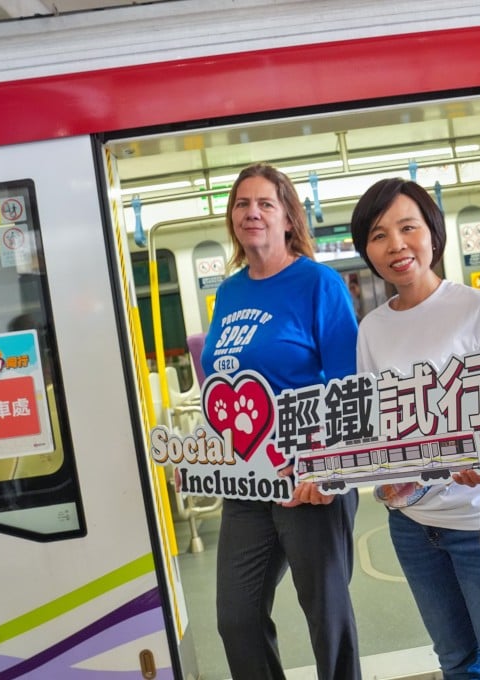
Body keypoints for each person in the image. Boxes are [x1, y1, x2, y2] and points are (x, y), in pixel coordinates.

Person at [350, 178, 480, 680]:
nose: (396, 245)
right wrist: (383, 475)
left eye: (407, 227)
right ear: (366, 250)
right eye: (378, 234)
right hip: (412, 525)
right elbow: (379, 423)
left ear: (432, 234)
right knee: (455, 662)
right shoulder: (371, 328)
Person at [200, 163, 361, 680]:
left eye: (265, 203)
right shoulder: (229, 293)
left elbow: (347, 381)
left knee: (326, 617)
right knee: (236, 618)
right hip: (247, 477)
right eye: (241, 203)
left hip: (308, 472)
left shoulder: (318, 283)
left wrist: (328, 467)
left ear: (288, 218)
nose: (252, 213)